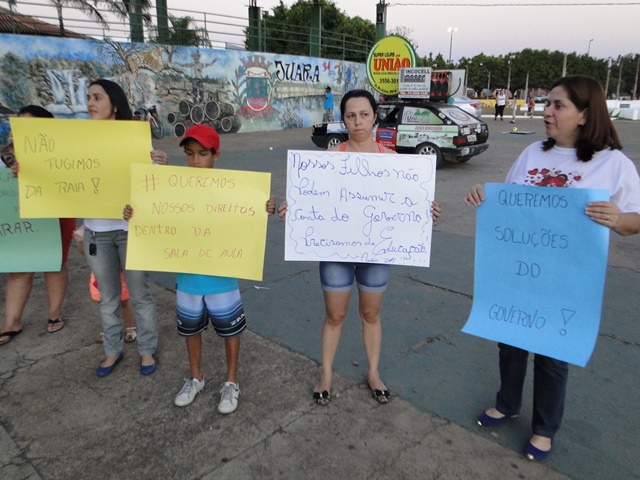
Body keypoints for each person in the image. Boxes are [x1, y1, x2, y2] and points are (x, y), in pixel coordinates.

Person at [465, 75, 640, 461]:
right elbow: (508, 200)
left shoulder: (613, 164)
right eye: (547, 103)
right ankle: (507, 403)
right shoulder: (532, 154)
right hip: (519, 272)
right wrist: (484, 196)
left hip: (567, 280)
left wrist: (618, 219)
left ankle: (545, 428)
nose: (547, 111)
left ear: (584, 115)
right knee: (509, 341)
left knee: (551, 354)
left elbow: (635, 220)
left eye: (558, 105)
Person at [278, 89, 442, 406]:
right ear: (344, 120)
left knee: (370, 314)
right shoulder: (328, 161)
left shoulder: (395, 163)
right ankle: (325, 374)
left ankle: (373, 372)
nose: (358, 121)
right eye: (351, 115)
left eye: (364, 114)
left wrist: (427, 211)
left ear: (375, 117)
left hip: (377, 252)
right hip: (337, 252)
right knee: (335, 315)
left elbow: (411, 205)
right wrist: (293, 210)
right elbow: (309, 202)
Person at [124, 124, 275, 414]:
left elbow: (249, 219)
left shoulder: (235, 191)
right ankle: (196, 377)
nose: (195, 161)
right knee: (190, 331)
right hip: (188, 278)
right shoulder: (172, 187)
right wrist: (135, 213)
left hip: (222, 279)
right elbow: (152, 214)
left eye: (202, 154)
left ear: (216, 155)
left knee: (231, 332)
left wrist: (262, 207)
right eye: (190, 154)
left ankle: (231, 381)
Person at [83, 79, 166, 377]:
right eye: (88, 97)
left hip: (131, 231)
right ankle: (112, 351)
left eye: (96, 97)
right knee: (108, 297)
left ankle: (147, 350)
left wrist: (160, 164)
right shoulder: (77, 140)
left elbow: (153, 183)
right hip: (96, 232)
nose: (90, 103)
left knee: (140, 294)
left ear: (114, 104)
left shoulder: (135, 138)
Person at [0, 105, 75, 346]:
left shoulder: (62, 148)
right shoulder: (7, 154)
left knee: (54, 262)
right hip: (22, 214)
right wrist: (13, 173)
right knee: (20, 266)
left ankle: (54, 312)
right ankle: (12, 322)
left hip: (57, 210)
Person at [73, 224, 137, 344]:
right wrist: (80, 242)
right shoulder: (90, 227)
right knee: (106, 304)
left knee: (123, 302)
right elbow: (85, 252)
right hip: (100, 274)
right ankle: (110, 329)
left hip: (118, 273)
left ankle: (129, 327)